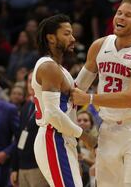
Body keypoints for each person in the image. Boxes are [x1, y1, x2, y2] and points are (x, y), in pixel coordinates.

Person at [71, 0, 131, 187]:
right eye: (119, 13)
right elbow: (79, 87)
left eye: (128, 15)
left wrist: (90, 98)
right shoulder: (99, 46)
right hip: (108, 128)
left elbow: (130, 99)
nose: (121, 17)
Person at [32, 14, 96, 187]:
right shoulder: (49, 67)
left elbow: (75, 92)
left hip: (61, 137)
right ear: (51, 38)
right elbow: (52, 114)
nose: (73, 38)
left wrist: (93, 64)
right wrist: (85, 136)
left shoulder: (58, 68)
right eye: (67, 34)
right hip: (54, 136)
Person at [10, 71, 49, 187]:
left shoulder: (48, 106)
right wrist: (14, 168)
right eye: (29, 81)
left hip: (39, 167)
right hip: (22, 168)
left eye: (35, 81)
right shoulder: (26, 106)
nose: (31, 84)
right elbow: (18, 139)